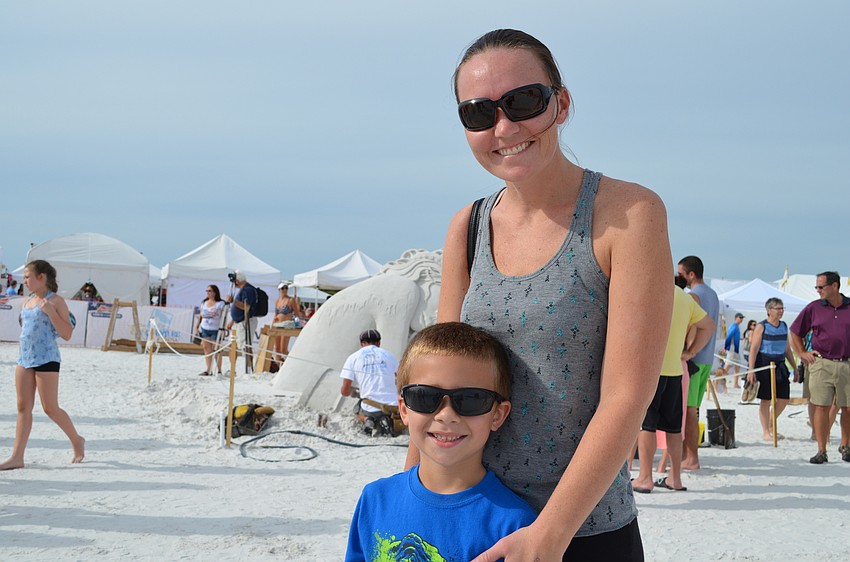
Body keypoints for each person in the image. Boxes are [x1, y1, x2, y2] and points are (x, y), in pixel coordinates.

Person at [431, 29, 673, 560]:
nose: (505, 127)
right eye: (478, 113)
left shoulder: (628, 215)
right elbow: (437, 382)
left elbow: (627, 396)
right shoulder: (467, 226)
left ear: (560, 104)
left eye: (523, 102)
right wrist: (414, 502)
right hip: (473, 521)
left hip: (584, 533)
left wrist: (550, 534)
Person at [346, 322, 536, 560]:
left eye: (471, 399)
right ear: (404, 409)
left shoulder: (516, 526)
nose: (446, 415)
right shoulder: (374, 500)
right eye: (425, 396)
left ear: (497, 415)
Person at [0, 260, 85, 470]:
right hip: (24, 358)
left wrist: (51, 312)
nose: (25, 280)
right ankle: (17, 457)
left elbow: (66, 334)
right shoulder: (25, 302)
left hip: (47, 358)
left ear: (42, 277)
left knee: (50, 408)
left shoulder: (56, 301)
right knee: (22, 407)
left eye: (28, 276)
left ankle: (76, 440)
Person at [632, 282, 714, 494]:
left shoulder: (649, 289)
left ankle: (645, 478)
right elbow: (709, 326)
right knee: (674, 429)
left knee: (646, 426)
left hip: (652, 368)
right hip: (675, 370)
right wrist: (691, 352)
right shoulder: (684, 297)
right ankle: (675, 478)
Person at [789, 271, 850, 464]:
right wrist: (801, 353)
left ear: (835, 286)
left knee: (848, 408)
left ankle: (846, 446)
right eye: (816, 287)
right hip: (821, 363)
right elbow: (795, 331)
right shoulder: (813, 308)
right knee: (821, 407)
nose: (817, 290)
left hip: (847, 363)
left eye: (821, 287)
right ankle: (821, 450)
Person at [677, 256, 720, 471]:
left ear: (690, 275)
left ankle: (691, 457)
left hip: (695, 360)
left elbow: (694, 326)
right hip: (707, 359)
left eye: (681, 273)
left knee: (688, 411)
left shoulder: (694, 296)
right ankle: (688, 455)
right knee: (693, 410)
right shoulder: (712, 294)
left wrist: (688, 350)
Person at [747, 298, 796, 442]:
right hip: (764, 363)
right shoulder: (762, 326)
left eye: (782, 308)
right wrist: (751, 369)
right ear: (769, 310)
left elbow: (787, 348)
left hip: (780, 363)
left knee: (784, 398)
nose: (781, 311)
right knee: (766, 399)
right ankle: (766, 431)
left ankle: (770, 424)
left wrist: (794, 368)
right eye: (777, 308)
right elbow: (754, 349)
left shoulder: (784, 325)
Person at [339, 329, 400, 436]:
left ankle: (368, 419)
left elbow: (344, 392)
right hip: (393, 407)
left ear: (362, 343)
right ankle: (385, 420)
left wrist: (355, 392)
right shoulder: (390, 355)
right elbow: (401, 380)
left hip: (370, 408)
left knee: (357, 410)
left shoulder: (353, 358)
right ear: (379, 342)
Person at [224, 270, 258, 373]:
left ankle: (249, 369)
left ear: (238, 281)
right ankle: (232, 368)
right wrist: (233, 320)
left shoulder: (248, 290)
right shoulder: (243, 289)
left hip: (245, 322)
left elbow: (246, 307)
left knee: (245, 346)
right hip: (238, 322)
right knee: (232, 345)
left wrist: (232, 301)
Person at [194, 284, 225, 376]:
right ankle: (208, 369)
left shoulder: (220, 303)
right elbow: (200, 315)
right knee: (206, 349)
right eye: (207, 291)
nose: (208, 293)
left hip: (216, 329)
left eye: (210, 291)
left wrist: (223, 329)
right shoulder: (204, 303)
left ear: (215, 292)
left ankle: (219, 370)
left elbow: (224, 317)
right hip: (205, 328)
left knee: (217, 349)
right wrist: (197, 326)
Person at [271, 283, 303, 365]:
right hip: (278, 325)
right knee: (277, 349)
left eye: (286, 288)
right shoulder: (277, 301)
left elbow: (296, 314)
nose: (285, 290)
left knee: (283, 349)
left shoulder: (291, 300)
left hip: (286, 326)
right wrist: (272, 324)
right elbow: (276, 315)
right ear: (279, 290)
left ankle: (290, 365)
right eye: (282, 288)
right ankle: (279, 367)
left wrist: (297, 325)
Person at [724, 313, 746, 389]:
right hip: (732, 348)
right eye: (740, 318)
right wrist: (726, 347)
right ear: (736, 318)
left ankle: (735, 383)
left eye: (742, 318)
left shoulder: (735, 326)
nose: (741, 319)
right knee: (728, 365)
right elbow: (729, 336)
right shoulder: (734, 326)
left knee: (737, 366)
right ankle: (718, 380)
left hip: (735, 348)